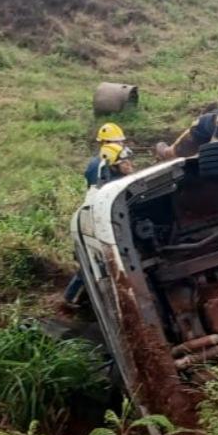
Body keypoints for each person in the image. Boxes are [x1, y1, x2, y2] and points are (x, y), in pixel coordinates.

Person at [63, 124, 134, 308]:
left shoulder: (104, 166)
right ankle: (71, 299)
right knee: (94, 262)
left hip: (100, 216)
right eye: (119, 141)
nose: (129, 165)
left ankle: (80, 297)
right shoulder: (101, 168)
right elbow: (98, 195)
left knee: (99, 262)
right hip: (95, 218)